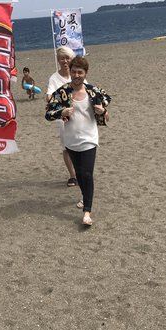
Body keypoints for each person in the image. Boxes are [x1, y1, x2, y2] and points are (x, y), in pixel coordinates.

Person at [45, 56, 111, 227]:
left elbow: (106, 105)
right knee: (80, 174)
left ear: (85, 73)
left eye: (80, 72)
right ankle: (84, 195)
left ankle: (87, 212)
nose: (76, 75)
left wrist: (103, 111)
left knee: (87, 174)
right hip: (71, 140)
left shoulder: (93, 91)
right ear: (70, 72)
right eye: (74, 72)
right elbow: (48, 114)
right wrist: (61, 112)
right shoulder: (62, 92)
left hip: (89, 138)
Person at [46, 46, 77, 187]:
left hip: (79, 115)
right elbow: (49, 95)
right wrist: (51, 99)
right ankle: (72, 176)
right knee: (67, 147)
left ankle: (81, 172)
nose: (65, 61)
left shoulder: (77, 74)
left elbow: (88, 91)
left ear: (72, 59)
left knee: (80, 145)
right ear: (58, 60)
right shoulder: (54, 78)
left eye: (67, 58)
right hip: (63, 118)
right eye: (61, 58)